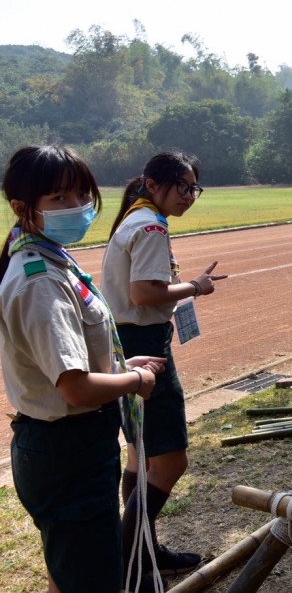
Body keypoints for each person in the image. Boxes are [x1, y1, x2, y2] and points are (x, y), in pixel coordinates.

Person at [0, 145, 163, 593]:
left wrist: (118, 364)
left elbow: (66, 365)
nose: (75, 208)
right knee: (91, 578)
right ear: (21, 208)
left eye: (80, 196)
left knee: (69, 571)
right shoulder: (41, 280)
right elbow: (74, 389)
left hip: (63, 448)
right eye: (58, 200)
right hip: (69, 451)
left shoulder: (47, 259)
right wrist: (136, 380)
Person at [102, 152, 227, 579]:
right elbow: (143, 294)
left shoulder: (135, 219)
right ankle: (132, 561)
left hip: (126, 342)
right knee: (171, 461)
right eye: (182, 186)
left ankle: (142, 551)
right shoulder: (151, 224)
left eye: (194, 187)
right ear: (153, 184)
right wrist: (196, 286)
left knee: (140, 457)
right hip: (143, 344)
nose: (189, 195)